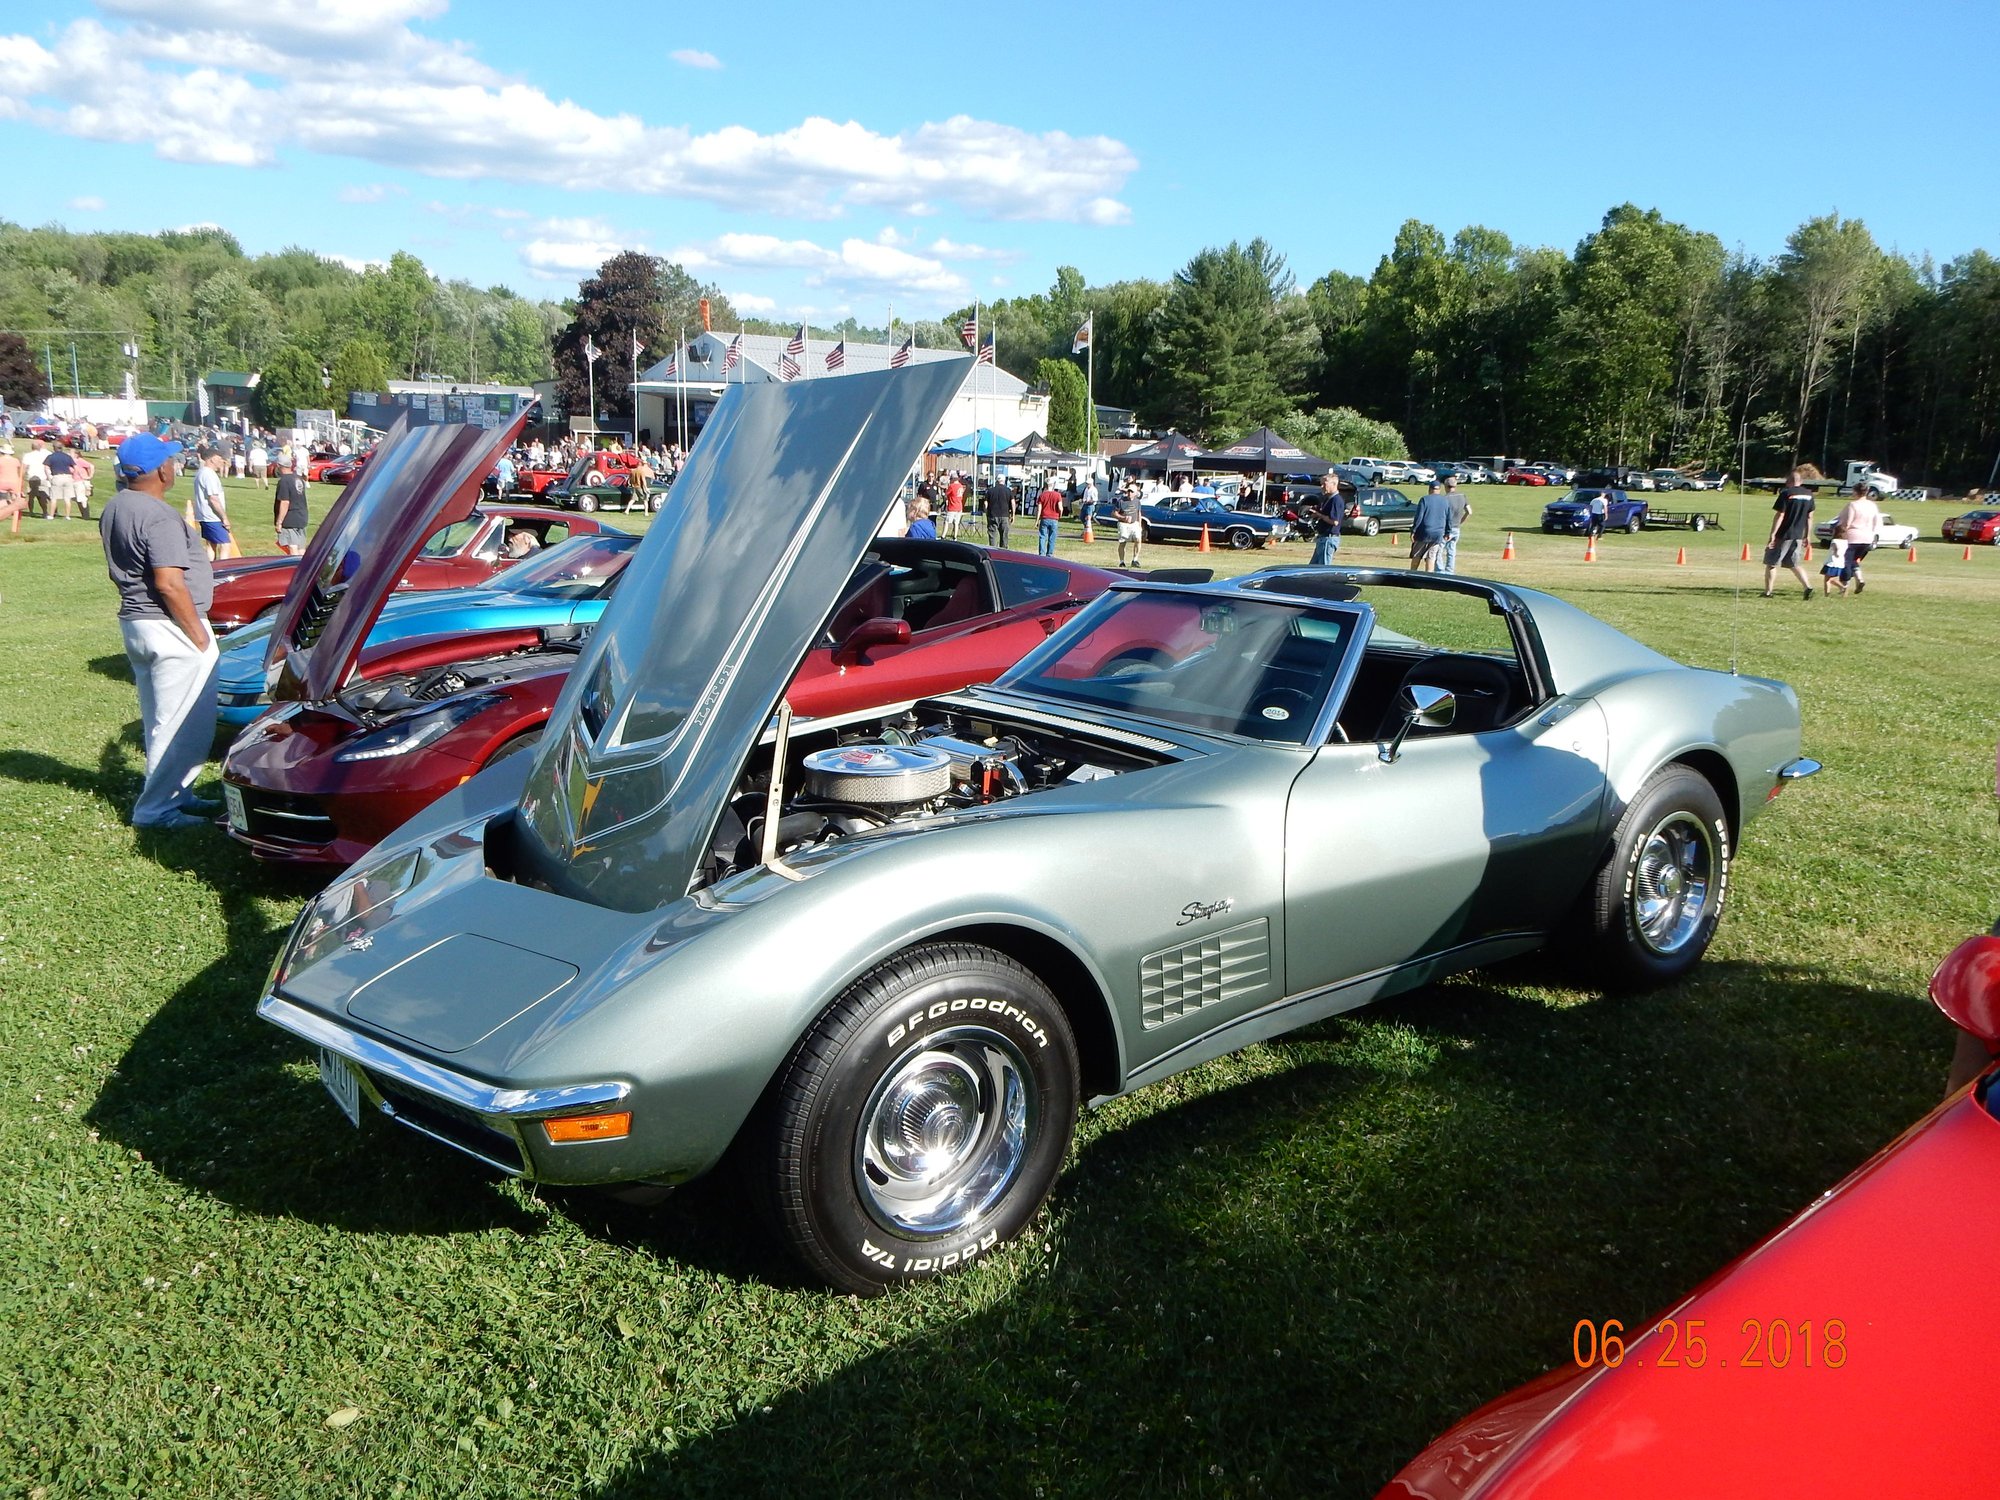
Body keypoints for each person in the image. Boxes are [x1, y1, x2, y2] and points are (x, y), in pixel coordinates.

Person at [101, 433, 219, 830]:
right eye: (170, 461)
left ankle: (177, 795)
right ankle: (156, 812)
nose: (175, 466)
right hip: (170, 627)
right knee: (182, 722)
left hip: (137, 623)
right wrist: (199, 638)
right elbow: (169, 582)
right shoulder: (158, 515)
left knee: (161, 719)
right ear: (162, 471)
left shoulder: (117, 504)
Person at [1762, 469, 1817, 600]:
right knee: (1794, 564)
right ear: (1801, 481)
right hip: (1797, 535)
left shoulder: (1786, 494)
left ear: (1788, 482)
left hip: (1784, 533)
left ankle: (1768, 592)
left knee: (1772, 563)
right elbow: (1810, 517)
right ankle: (1807, 586)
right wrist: (1807, 535)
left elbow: (1780, 515)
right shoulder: (1809, 495)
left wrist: (1773, 535)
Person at [1832, 484, 1882, 595]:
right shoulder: (1872, 505)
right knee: (1854, 560)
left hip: (1853, 536)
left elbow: (1848, 522)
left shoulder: (1853, 505)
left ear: (1855, 492)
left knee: (1846, 562)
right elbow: (1876, 523)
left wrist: (1840, 532)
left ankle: (1844, 587)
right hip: (1867, 537)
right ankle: (1859, 579)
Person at [189, 448, 236, 559]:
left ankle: (211, 569)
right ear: (212, 459)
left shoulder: (201, 472)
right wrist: (224, 517)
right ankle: (222, 569)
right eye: (219, 458)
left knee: (211, 544)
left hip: (204, 515)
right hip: (212, 517)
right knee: (225, 544)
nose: (222, 461)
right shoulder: (209, 475)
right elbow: (213, 498)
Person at [1408, 484, 1454, 571]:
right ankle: (1429, 577)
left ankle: (1412, 574)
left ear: (1429, 489)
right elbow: (1449, 518)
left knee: (1417, 555)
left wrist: (1413, 530)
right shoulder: (1445, 501)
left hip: (1424, 532)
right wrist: (1448, 532)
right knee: (1431, 557)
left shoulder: (1425, 499)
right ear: (1439, 490)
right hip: (1438, 533)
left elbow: (1419, 517)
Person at [1304, 472, 1342, 566]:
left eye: (1324, 484)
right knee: (1312, 569)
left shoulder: (1336, 500)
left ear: (1333, 484)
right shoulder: (1327, 499)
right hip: (1322, 538)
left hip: (1328, 539)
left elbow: (1335, 521)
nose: (1321, 486)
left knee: (1323, 570)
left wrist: (1319, 515)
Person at [273, 461, 309, 555]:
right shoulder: (298, 478)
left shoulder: (284, 481)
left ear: (279, 466)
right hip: (302, 516)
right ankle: (303, 567)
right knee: (301, 547)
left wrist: (279, 521)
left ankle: (294, 568)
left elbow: (285, 502)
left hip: (290, 518)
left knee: (292, 545)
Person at [1440, 479, 1471, 573]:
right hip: (1456, 527)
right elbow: (1469, 512)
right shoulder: (1462, 496)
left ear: (1445, 486)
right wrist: (1461, 521)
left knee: (1439, 550)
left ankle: (1439, 571)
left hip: (1445, 528)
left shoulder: (1444, 499)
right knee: (1451, 550)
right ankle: (1450, 571)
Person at [1112, 478, 1144, 567]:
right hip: (1123, 524)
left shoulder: (1137, 501)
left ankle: (1135, 560)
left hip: (1134, 524)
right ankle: (1122, 561)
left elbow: (1139, 513)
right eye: (1129, 491)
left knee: (1138, 539)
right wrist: (1123, 518)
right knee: (1123, 542)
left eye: (1132, 491)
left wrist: (1139, 525)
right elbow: (1114, 513)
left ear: (1135, 493)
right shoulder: (1121, 501)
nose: (1130, 493)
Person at [43, 442, 77, 519]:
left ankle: (51, 515)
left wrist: (49, 477)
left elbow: (46, 468)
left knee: (54, 497)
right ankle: (67, 516)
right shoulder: (67, 457)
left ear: (54, 448)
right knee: (67, 498)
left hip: (57, 477)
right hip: (67, 477)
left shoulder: (51, 457)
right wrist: (73, 477)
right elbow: (75, 467)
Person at [1035, 477, 1064, 556]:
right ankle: (1049, 554)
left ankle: (1041, 554)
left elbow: (1039, 509)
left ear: (1045, 485)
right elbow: (1060, 508)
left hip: (1044, 518)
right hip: (1054, 519)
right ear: (1053, 485)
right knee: (1052, 538)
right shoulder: (1057, 495)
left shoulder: (1042, 495)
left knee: (1042, 537)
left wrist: (1037, 520)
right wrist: (1059, 515)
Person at [983, 471, 1012, 549]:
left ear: (996, 481)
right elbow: (1012, 503)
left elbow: (986, 504)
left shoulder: (990, 491)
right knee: (1004, 535)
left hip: (992, 515)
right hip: (1005, 515)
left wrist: (987, 513)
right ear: (1004, 480)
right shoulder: (1008, 490)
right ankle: (1004, 551)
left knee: (992, 534)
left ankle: (993, 550)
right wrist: (1013, 514)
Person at [0, 444, 24, 535]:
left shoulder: (0, 460)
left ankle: (4, 512)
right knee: (16, 499)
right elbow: (19, 471)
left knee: (2, 499)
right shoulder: (16, 461)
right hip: (14, 481)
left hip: (2, 482)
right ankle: (16, 518)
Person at [941, 473, 966, 539]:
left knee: (947, 521)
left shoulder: (952, 486)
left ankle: (943, 536)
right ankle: (955, 537)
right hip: (959, 507)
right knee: (956, 523)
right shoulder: (960, 486)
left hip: (952, 507)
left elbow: (946, 495)